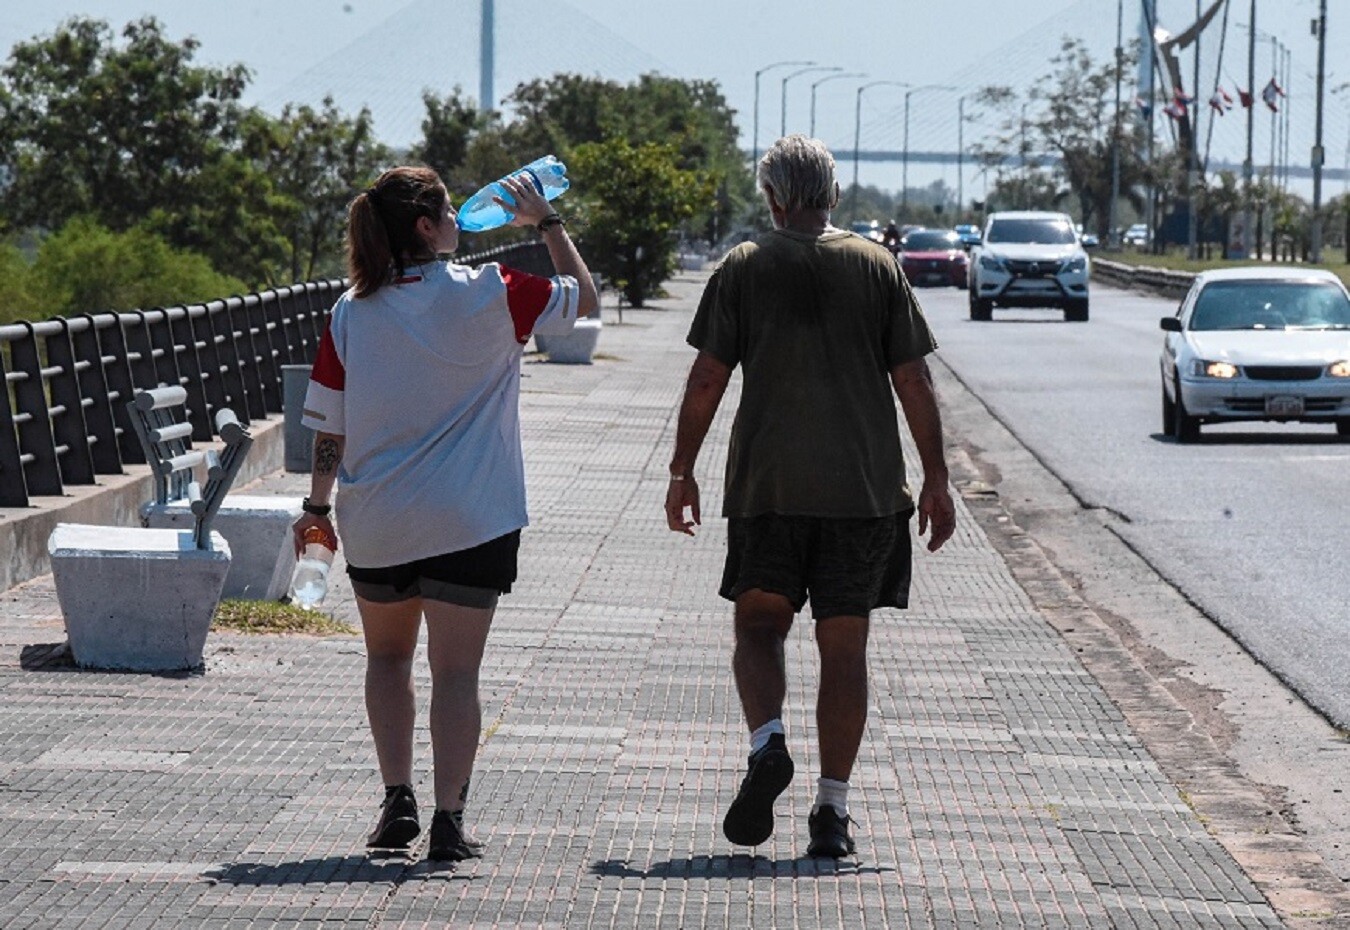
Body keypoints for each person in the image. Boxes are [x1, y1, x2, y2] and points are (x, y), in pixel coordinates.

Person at [293, 165, 597, 861]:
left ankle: (396, 798)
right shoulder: (495, 291)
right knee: (456, 674)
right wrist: (546, 222)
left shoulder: (350, 310)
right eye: (449, 211)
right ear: (427, 227)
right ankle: (449, 822)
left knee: (387, 657)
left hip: (378, 519)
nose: (461, 219)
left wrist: (316, 508)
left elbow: (329, 430)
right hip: (471, 518)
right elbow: (585, 301)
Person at [664, 135, 956, 858]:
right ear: (832, 193)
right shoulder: (878, 267)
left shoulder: (743, 268)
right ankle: (832, 812)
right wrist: (937, 478)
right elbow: (914, 380)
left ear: (772, 197)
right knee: (844, 646)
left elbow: (707, 379)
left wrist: (681, 469)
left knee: (758, 628)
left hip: (768, 488)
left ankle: (767, 744)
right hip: (862, 493)